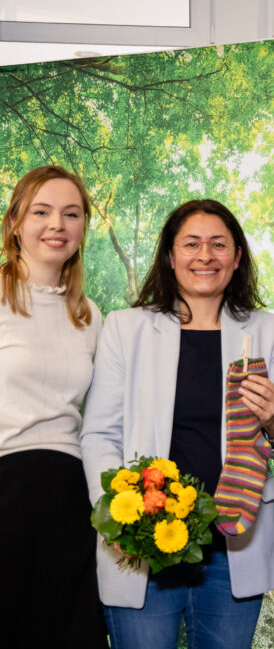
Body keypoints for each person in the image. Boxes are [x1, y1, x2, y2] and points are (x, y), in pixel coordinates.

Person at [80, 198, 274, 649]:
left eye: (219, 244)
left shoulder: (267, 330)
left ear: (237, 257)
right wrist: (116, 516)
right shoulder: (127, 329)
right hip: (145, 540)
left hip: (233, 542)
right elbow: (99, 432)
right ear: (170, 255)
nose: (205, 255)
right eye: (192, 244)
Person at [0, 165, 107, 647]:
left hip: (70, 497)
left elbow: (104, 419)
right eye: (41, 211)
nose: (57, 225)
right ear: (15, 223)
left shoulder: (89, 316)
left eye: (71, 213)